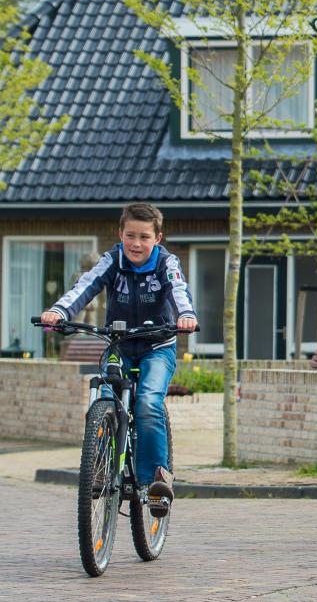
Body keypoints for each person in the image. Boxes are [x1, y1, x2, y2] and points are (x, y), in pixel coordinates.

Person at [39, 202, 197, 515]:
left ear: (157, 238)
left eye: (144, 237)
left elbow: (178, 289)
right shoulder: (113, 259)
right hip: (120, 345)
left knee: (149, 401)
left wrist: (187, 315)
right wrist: (59, 311)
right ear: (120, 234)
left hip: (156, 346)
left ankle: (156, 479)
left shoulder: (166, 262)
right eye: (130, 236)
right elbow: (86, 285)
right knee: (105, 399)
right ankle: (99, 466)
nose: (136, 243)